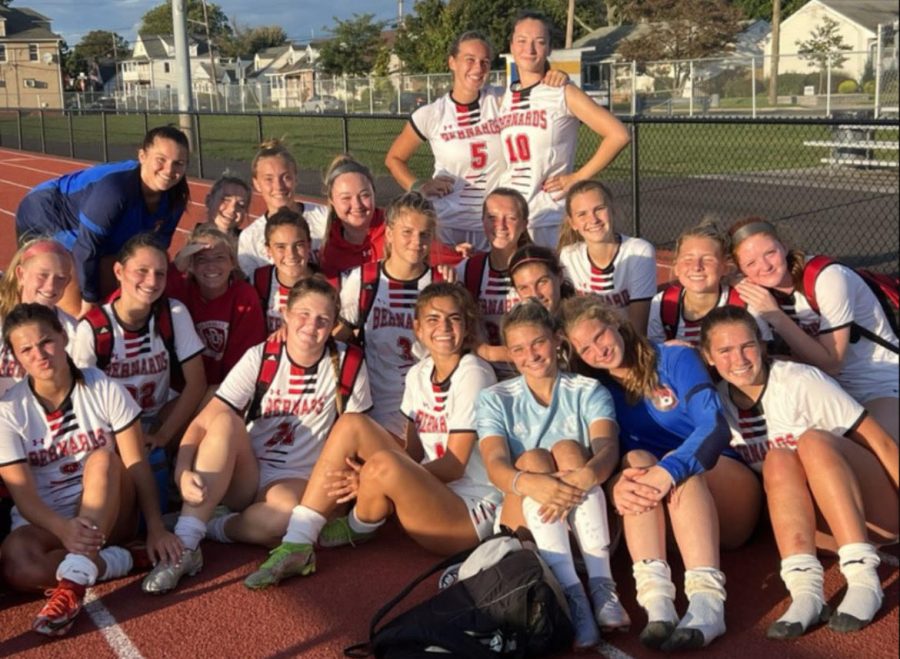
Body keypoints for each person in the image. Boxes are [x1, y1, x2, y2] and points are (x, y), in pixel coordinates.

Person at [243, 283, 500, 590]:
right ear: (417, 327)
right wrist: (381, 478)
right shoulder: (420, 372)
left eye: (454, 318)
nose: (443, 327)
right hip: (431, 492)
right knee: (353, 423)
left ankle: (357, 526)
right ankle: (298, 541)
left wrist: (371, 478)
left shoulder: (474, 372)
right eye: (432, 319)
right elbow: (415, 454)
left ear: (466, 325)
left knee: (384, 466)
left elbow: (454, 466)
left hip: (468, 512)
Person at [141, 276, 371, 594]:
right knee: (224, 421)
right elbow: (202, 423)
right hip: (245, 473)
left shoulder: (349, 363)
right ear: (285, 315)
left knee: (286, 520)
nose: (311, 325)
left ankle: (209, 525)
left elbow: (354, 434)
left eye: (323, 319)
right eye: (303, 314)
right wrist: (181, 472)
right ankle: (185, 547)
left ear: (333, 324)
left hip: (294, 478)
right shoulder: (261, 356)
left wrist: (361, 482)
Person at [560, 295, 760, 652]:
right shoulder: (597, 391)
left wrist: (668, 470)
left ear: (617, 324)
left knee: (671, 465)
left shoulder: (674, 358)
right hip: (664, 508)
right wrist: (615, 486)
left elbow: (714, 427)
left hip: (725, 487)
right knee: (634, 462)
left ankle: (708, 604)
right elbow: (611, 457)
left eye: (600, 336)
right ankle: (658, 604)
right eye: (585, 348)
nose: (598, 351)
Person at [699, 306, 898, 637]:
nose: (740, 359)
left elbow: (881, 443)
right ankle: (806, 590)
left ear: (762, 345)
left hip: (873, 511)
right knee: (778, 460)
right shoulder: (718, 404)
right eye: (725, 351)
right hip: (822, 530)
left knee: (813, 441)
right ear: (708, 357)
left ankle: (863, 578)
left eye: (747, 345)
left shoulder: (800, 381)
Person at [0, 303, 182, 636]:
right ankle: (123, 560)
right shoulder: (9, 410)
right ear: (15, 358)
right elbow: (24, 498)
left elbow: (136, 463)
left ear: (63, 336)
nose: (39, 354)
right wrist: (65, 528)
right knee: (15, 563)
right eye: (26, 349)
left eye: (46, 342)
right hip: (50, 521)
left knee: (101, 460)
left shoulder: (103, 387)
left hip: (111, 507)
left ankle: (71, 586)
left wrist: (155, 526)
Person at [476, 299, 627, 651]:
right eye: (518, 348)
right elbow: (496, 465)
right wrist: (534, 483)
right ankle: (573, 596)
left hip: (589, 521)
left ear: (557, 339)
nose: (531, 354)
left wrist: (582, 477)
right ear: (510, 355)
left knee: (571, 451)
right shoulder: (494, 398)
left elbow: (608, 449)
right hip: (527, 523)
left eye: (538, 342)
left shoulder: (587, 389)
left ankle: (603, 587)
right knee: (533, 459)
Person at [384, 32, 567, 250]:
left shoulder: (502, 100)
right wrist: (419, 186)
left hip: (493, 224)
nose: (478, 68)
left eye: (485, 62)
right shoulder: (431, 114)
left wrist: (556, 75)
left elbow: (536, 88)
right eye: (469, 60)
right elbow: (394, 158)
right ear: (452, 62)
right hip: (446, 223)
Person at [728, 218, 899, 441]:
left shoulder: (827, 277)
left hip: (878, 382)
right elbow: (765, 360)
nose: (765, 266)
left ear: (784, 245)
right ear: (740, 269)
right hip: (825, 389)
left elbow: (832, 363)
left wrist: (775, 315)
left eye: (770, 252)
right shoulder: (757, 293)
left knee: (870, 445)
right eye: (751, 264)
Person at [15, 126, 191, 317]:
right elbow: (85, 249)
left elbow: (155, 250)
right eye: (161, 160)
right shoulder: (114, 191)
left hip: (97, 225)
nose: (169, 170)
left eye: (179, 163)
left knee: (120, 274)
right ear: (142, 156)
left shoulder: (176, 197)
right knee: (66, 288)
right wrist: (89, 300)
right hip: (48, 213)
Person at [497, 11, 630, 248]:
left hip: (548, 214)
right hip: (512, 214)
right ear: (511, 46)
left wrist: (577, 177)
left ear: (549, 48)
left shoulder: (562, 91)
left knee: (557, 282)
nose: (530, 49)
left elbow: (618, 135)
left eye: (539, 42)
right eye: (522, 41)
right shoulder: (504, 96)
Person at [70, 233, 207, 456]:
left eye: (160, 273)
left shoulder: (173, 313)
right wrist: (125, 437)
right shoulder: (94, 328)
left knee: (216, 397)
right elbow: (83, 399)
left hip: (159, 418)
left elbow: (197, 384)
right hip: (112, 427)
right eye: (142, 271)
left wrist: (163, 435)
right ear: (119, 272)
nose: (152, 282)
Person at [335, 192, 448, 438]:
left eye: (424, 234)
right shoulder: (365, 280)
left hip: (426, 401)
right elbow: (340, 336)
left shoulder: (439, 282)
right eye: (407, 232)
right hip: (376, 402)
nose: (416, 242)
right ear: (389, 234)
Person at [318, 155, 466, 278]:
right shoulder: (327, 245)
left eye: (364, 195)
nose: (357, 205)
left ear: (374, 194)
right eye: (346, 198)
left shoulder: (398, 228)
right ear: (331, 200)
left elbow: (453, 261)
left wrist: (454, 257)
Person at [167, 225, 266, 388]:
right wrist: (177, 266)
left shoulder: (244, 296)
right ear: (190, 265)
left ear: (233, 262)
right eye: (202, 259)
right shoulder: (180, 289)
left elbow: (242, 361)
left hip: (225, 388)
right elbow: (146, 295)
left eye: (219, 257)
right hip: (180, 388)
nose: (211, 266)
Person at [647, 219, 770, 347]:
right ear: (676, 267)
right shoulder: (663, 303)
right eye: (688, 259)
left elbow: (762, 351)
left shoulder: (744, 303)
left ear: (725, 267)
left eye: (708, 259)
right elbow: (654, 354)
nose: (697, 267)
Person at [558, 181, 656, 334]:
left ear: (612, 210)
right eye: (582, 214)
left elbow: (638, 328)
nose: (593, 219)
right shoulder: (568, 257)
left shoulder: (639, 251)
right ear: (573, 223)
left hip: (628, 342)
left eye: (599, 209)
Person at [457, 187, 530, 377]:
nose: (501, 225)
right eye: (492, 217)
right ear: (482, 222)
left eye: (511, 218)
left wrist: (490, 352)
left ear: (524, 224)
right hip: (484, 374)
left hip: (531, 371)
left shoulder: (536, 269)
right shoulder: (468, 269)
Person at [237, 139, 328, 278]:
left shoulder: (325, 217)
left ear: (296, 178)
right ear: (256, 183)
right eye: (269, 179)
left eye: (286, 177)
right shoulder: (250, 238)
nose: (278, 186)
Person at [0, 238, 77, 396]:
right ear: (21, 274)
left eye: (60, 278)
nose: (50, 286)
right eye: (42, 275)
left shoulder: (73, 331)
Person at [252, 208, 316, 333]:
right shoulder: (258, 281)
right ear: (269, 250)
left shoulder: (330, 283)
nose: (291, 254)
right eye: (281, 247)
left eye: (298, 245)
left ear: (309, 245)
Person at [509, 244, 575, 316]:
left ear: (560, 276)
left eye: (542, 282)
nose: (535, 294)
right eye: (524, 288)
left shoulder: (582, 320)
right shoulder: (515, 325)